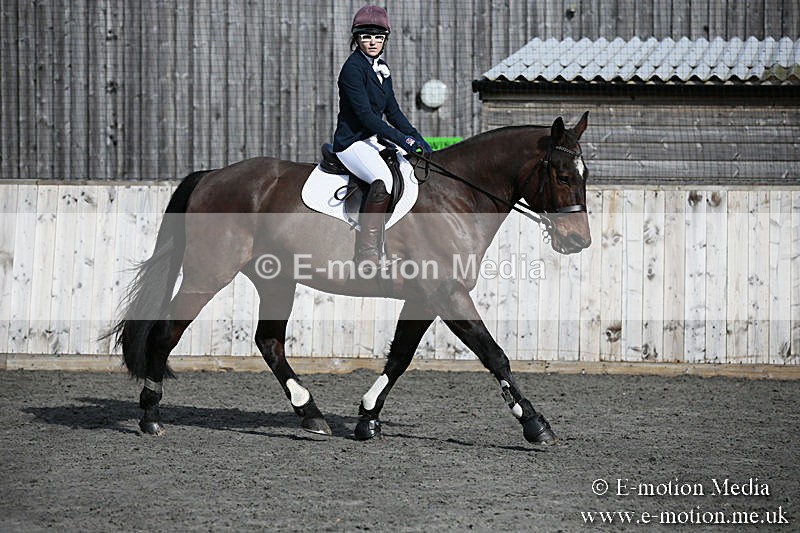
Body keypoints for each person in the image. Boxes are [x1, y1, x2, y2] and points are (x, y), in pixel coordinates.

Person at [332, 5, 431, 269]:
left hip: (372, 140)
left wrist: (417, 137)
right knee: (383, 180)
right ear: (357, 39)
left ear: (385, 39)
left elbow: (392, 111)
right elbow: (367, 117)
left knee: (408, 170)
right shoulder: (352, 69)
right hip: (352, 142)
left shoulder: (381, 67)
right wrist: (403, 140)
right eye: (366, 37)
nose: (373, 42)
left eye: (378, 37)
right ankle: (367, 252)